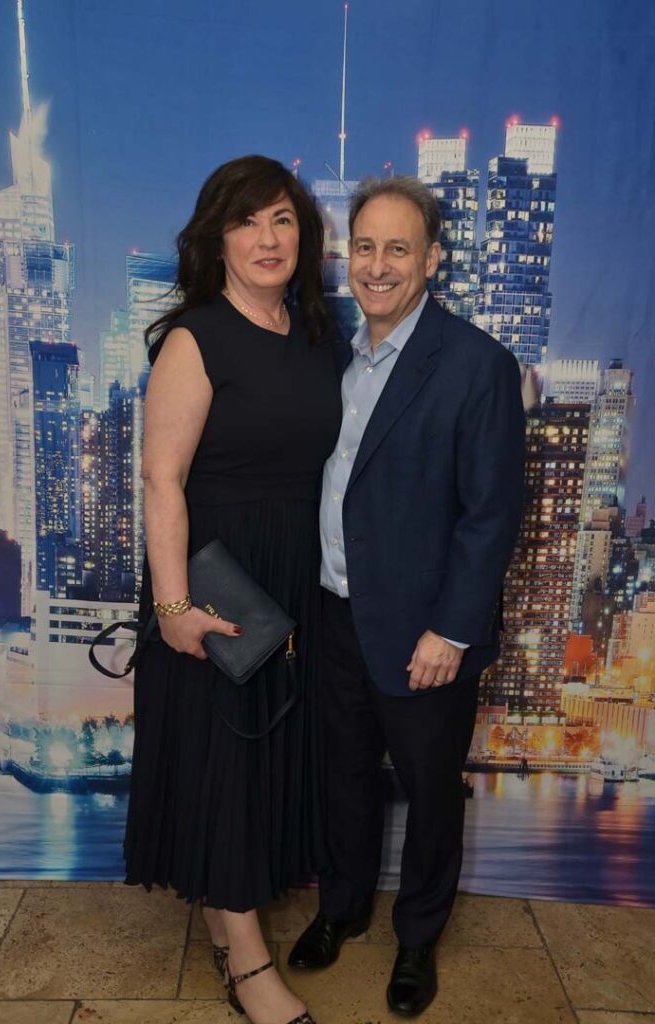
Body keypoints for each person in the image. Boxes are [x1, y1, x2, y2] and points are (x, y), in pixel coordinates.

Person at [288, 177, 526, 1018]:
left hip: (424, 632)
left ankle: (418, 937)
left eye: (398, 248)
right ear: (344, 256)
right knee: (342, 778)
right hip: (333, 613)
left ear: (432, 259)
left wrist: (452, 632)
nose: (377, 265)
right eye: (364, 246)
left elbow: (491, 514)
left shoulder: (476, 365)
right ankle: (343, 909)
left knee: (429, 794)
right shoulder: (334, 355)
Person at [123, 155, 341, 1024]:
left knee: (262, 758)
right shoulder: (196, 338)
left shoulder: (319, 334)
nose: (267, 238)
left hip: (295, 574)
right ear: (217, 239)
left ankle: (225, 914)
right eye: (247, 221)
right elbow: (161, 479)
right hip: (217, 579)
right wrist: (174, 607)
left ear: (304, 237)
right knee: (227, 759)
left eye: (282, 219)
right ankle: (250, 966)